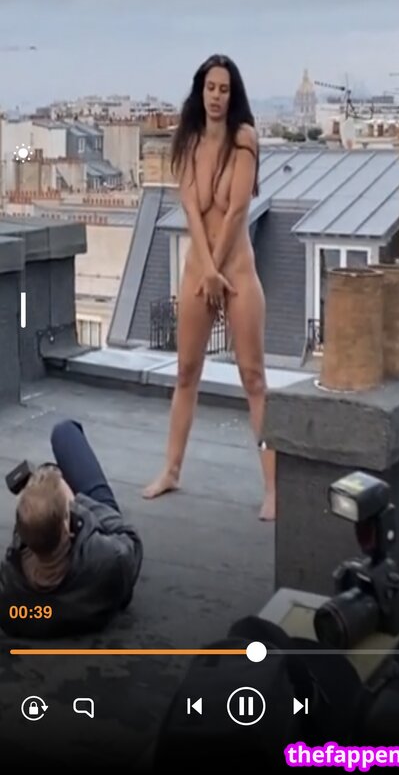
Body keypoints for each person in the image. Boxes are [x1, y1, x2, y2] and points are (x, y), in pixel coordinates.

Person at [143, 54, 275, 520]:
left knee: (253, 377)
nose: (216, 96)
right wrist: (206, 271)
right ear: (200, 91)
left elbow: (237, 211)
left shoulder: (245, 139)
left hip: (236, 273)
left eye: (224, 89)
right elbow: (191, 211)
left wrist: (218, 271)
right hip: (200, 273)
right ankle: (171, 470)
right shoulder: (188, 141)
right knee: (186, 372)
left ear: (232, 94)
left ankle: (273, 488)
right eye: (210, 87)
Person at [0, 419, 143, 637]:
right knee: (64, 431)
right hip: (96, 569)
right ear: (67, 525)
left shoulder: (9, 593)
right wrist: (78, 504)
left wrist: (37, 505)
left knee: (47, 474)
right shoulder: (110, 560)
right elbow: (130, 539)